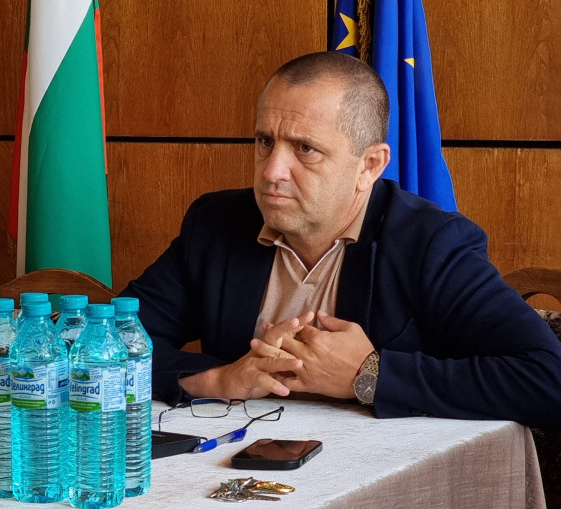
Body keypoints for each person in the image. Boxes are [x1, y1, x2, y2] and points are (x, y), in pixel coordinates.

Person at [120, 51, 561, 427]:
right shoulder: (216, 224)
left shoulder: (430, 243)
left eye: (305, 149)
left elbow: (547, 379)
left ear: (369, 166)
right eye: (265, 141)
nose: (272, 171)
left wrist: (369, 374)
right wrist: (219, 379)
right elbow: (107, 345)